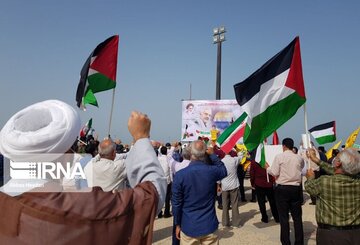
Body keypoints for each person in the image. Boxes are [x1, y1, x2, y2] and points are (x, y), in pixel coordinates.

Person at [0, 100, 167, 244]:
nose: (73, 155)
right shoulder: (80, 209)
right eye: (70, 148)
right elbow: (151, 196)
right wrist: (141, 137)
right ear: (58, 155)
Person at [172, 140, 227, 244]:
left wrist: (177, 224)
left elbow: (176, 204)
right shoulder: (211, 171)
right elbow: (223, 170)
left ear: (191, 153)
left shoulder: (180, 175)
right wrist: (212, 155)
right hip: (209, 225)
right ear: (205, 152)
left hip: (189, 226)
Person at [305, 148, 360, 245]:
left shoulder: (324, 181)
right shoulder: (357, 181)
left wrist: (310, 178)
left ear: (338, 163)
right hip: (356, 233)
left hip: (330, 235)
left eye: (337, 158)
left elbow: (309, 187)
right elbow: (337, 170)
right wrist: (316, 160)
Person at [266, 138, 304, 245]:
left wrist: (268, 168)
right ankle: (299, 242)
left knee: (284, 217)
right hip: (295, 188)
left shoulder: (279, 157)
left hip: (282, 189)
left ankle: (286, 242)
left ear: (283, 146)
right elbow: (301, 168)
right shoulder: (299, 158)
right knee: (297, 217)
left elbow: (274, 172)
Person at [250, 152, 279, 223]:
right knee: (272, 202)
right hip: (268, 184)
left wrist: (252, 184)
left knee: (261, 202)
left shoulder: (254, 163)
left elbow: (252, 174)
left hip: (259, 184)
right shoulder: (268, 161)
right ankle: (277, 217)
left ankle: (264, 217)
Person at [219, 150, 241, 227]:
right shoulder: (234, 160)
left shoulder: (221, 161)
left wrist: (218, 185)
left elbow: (219, 174)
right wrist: (236, 149)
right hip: (234, 185)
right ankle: (236, 223)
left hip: (224, 185)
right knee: (234, 204)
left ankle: (225, 223)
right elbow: (241, 156)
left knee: (225, 205)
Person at [157, 146, 172, 218]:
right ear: (166, 151)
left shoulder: (158, 159)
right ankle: (166, 213)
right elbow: (170, 170)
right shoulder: (168, 159)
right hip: (167, 180)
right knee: (167, 197)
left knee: (160, 196)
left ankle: (159, 213)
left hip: (159, 179)